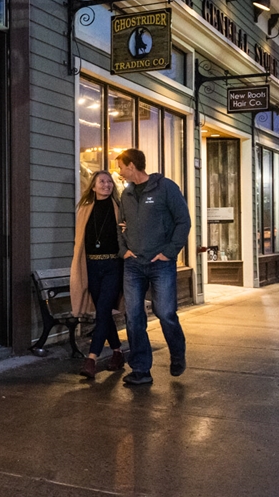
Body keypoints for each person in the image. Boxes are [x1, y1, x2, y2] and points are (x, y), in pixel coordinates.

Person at [116, 148, 190, 386]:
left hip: (160, 263)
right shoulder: (126, 194)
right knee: (134, 317)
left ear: (131, 166)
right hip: (133, 264)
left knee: (166, 313)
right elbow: (120, 226)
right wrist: (123, 250)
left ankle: (177, 354)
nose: (119, 172)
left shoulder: (166, 188)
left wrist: (169, 252)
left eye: (121, 167)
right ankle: (141, 369)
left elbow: (183, 221)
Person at [70, 170, 125, 379]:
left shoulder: (119, 208)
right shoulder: (84, 210)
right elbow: (80, 241)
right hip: (91, 267)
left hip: (113, 265)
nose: (106, 184)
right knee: (104, 312)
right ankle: (118, 352)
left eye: (109, 181)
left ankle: (91, 358)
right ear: (93, 186)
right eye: (102, 181)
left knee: (103, 309)